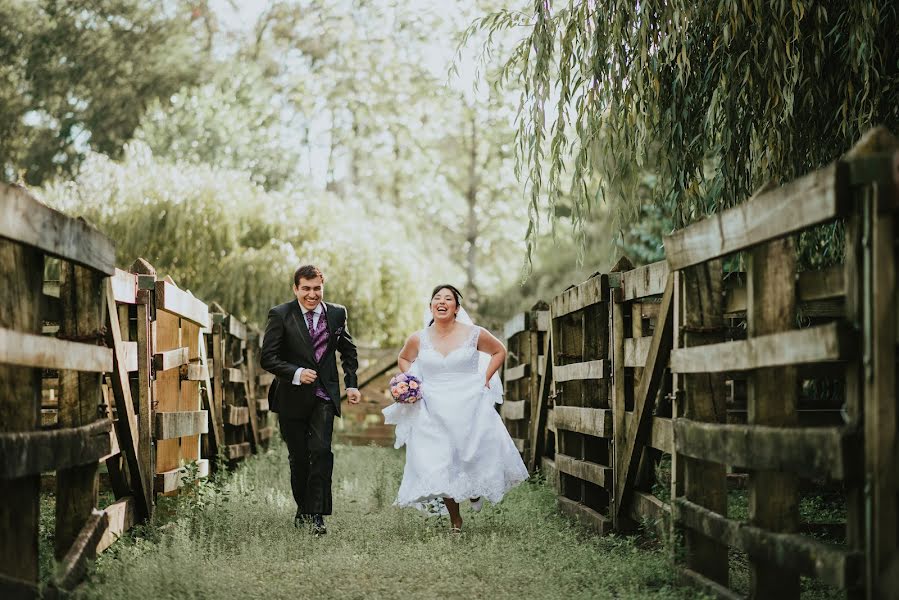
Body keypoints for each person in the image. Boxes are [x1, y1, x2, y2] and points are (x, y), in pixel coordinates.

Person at [383, 284, 529, 532]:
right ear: (431, 306)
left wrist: (485, 378)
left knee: (470, 454)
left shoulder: (474, 333)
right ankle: (455, 521)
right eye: (437, 298)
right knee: (440, 460)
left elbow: (499, 351)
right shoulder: (419, 338)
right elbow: (404, 358)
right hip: (432, 405)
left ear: (456, 308)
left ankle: (474, 491)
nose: (442, 302)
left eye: (448, 299)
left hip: (468, 401)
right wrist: (411, 380)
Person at [261, 265, 360, 535]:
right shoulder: (280, 315)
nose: (312, 294)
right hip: (290, 397)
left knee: (321, 451)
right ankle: (303, 508)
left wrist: (351, 384)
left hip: (324, 396)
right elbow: (267, 358)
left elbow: (348, 351)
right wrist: (295, 372)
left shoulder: (337, 314)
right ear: (296, 289)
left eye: (317, 288)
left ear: (322, 287)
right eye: (306, 288)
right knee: (299, 458)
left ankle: (316, 515)